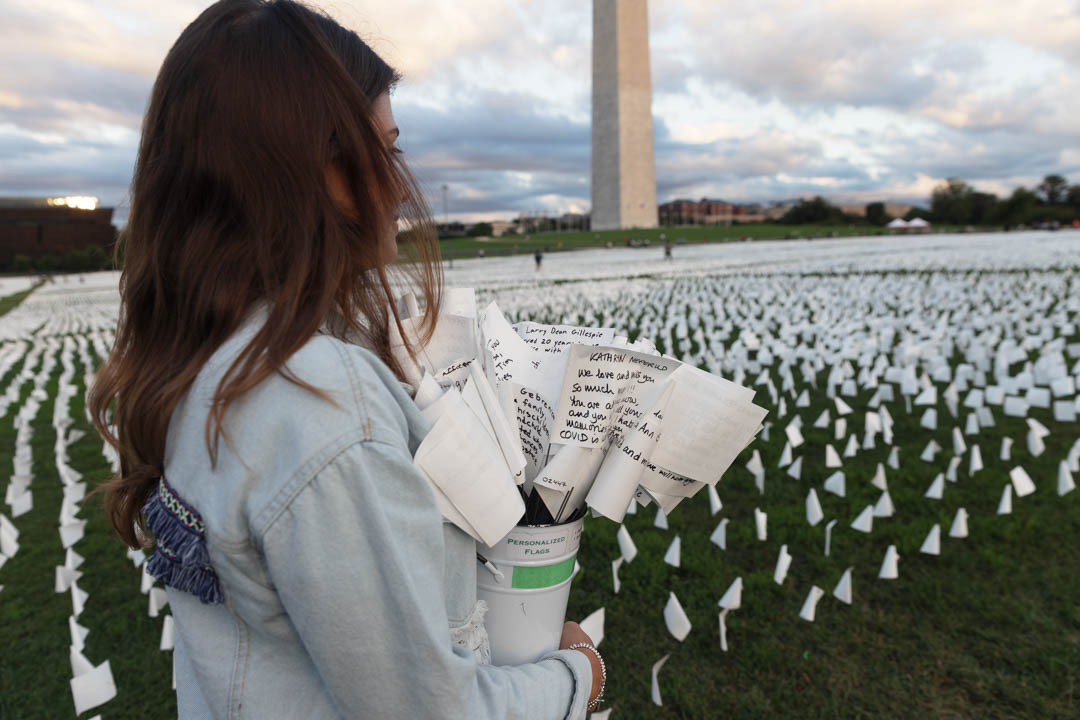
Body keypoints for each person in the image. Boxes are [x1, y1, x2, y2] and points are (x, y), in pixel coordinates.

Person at [87, 2, 605, 718]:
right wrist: (577, 676)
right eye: (382, 150)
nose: (398, 185)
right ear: (302, 168)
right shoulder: (319, 405)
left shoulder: (200, 354)